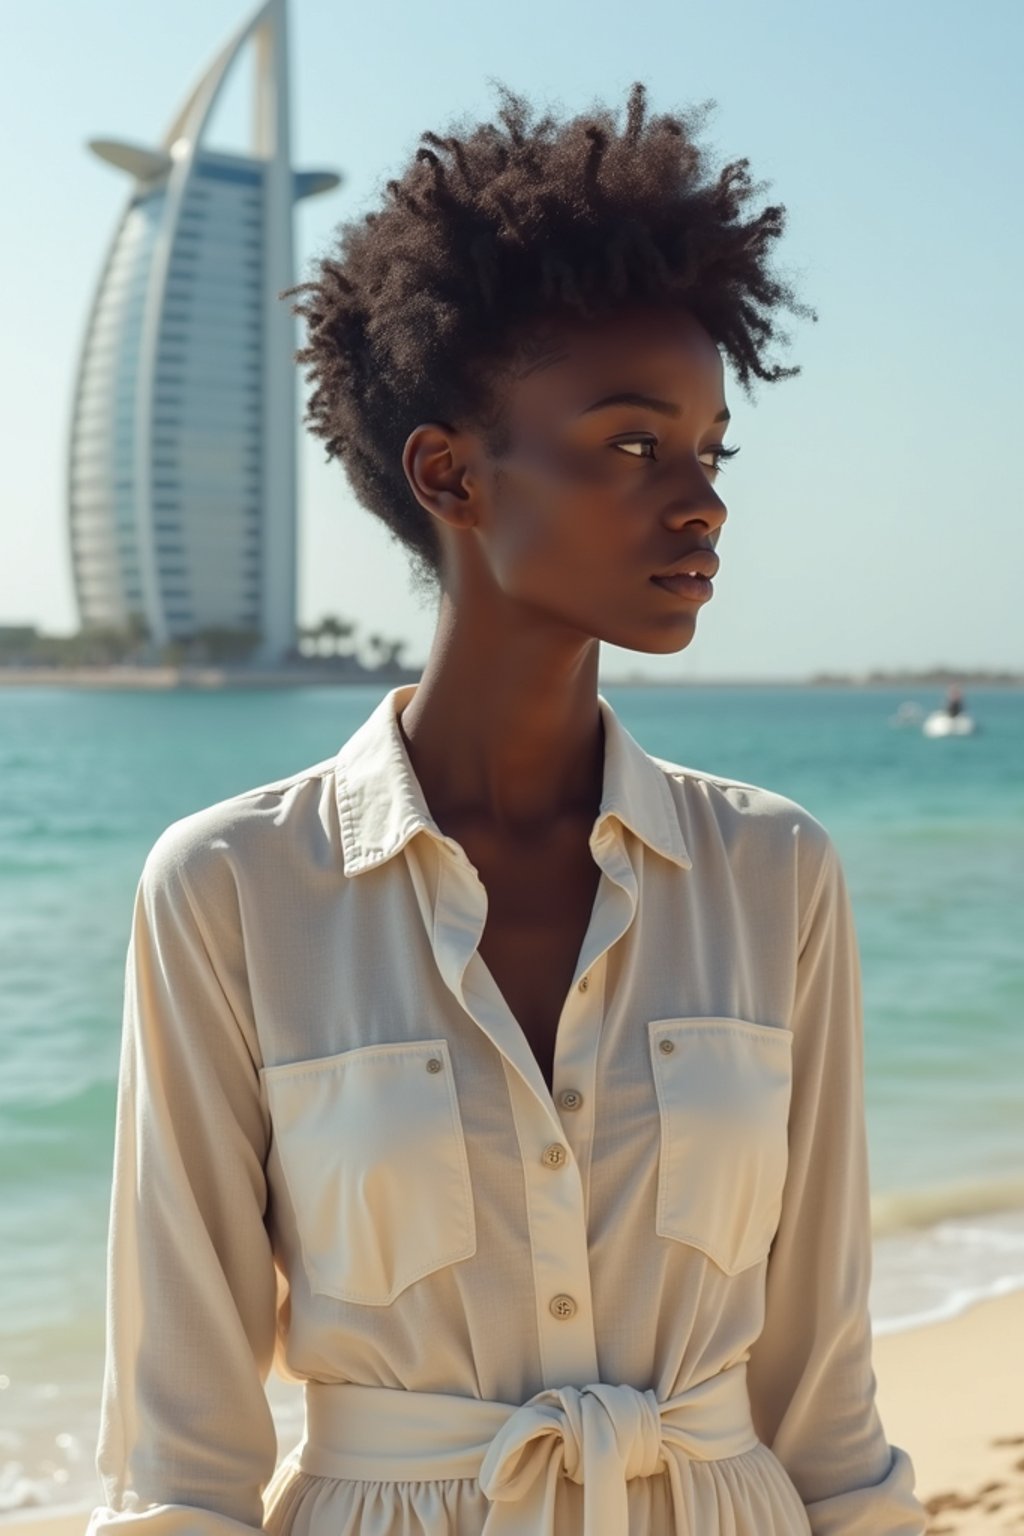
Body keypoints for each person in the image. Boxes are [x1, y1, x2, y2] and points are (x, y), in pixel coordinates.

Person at [87, 82, 928, 1536]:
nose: (702, 502)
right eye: (628, 443)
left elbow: (823, 1397)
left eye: (710, 451)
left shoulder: (775, 871)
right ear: (450, 472)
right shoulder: (230, 890)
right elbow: (185, 1453)